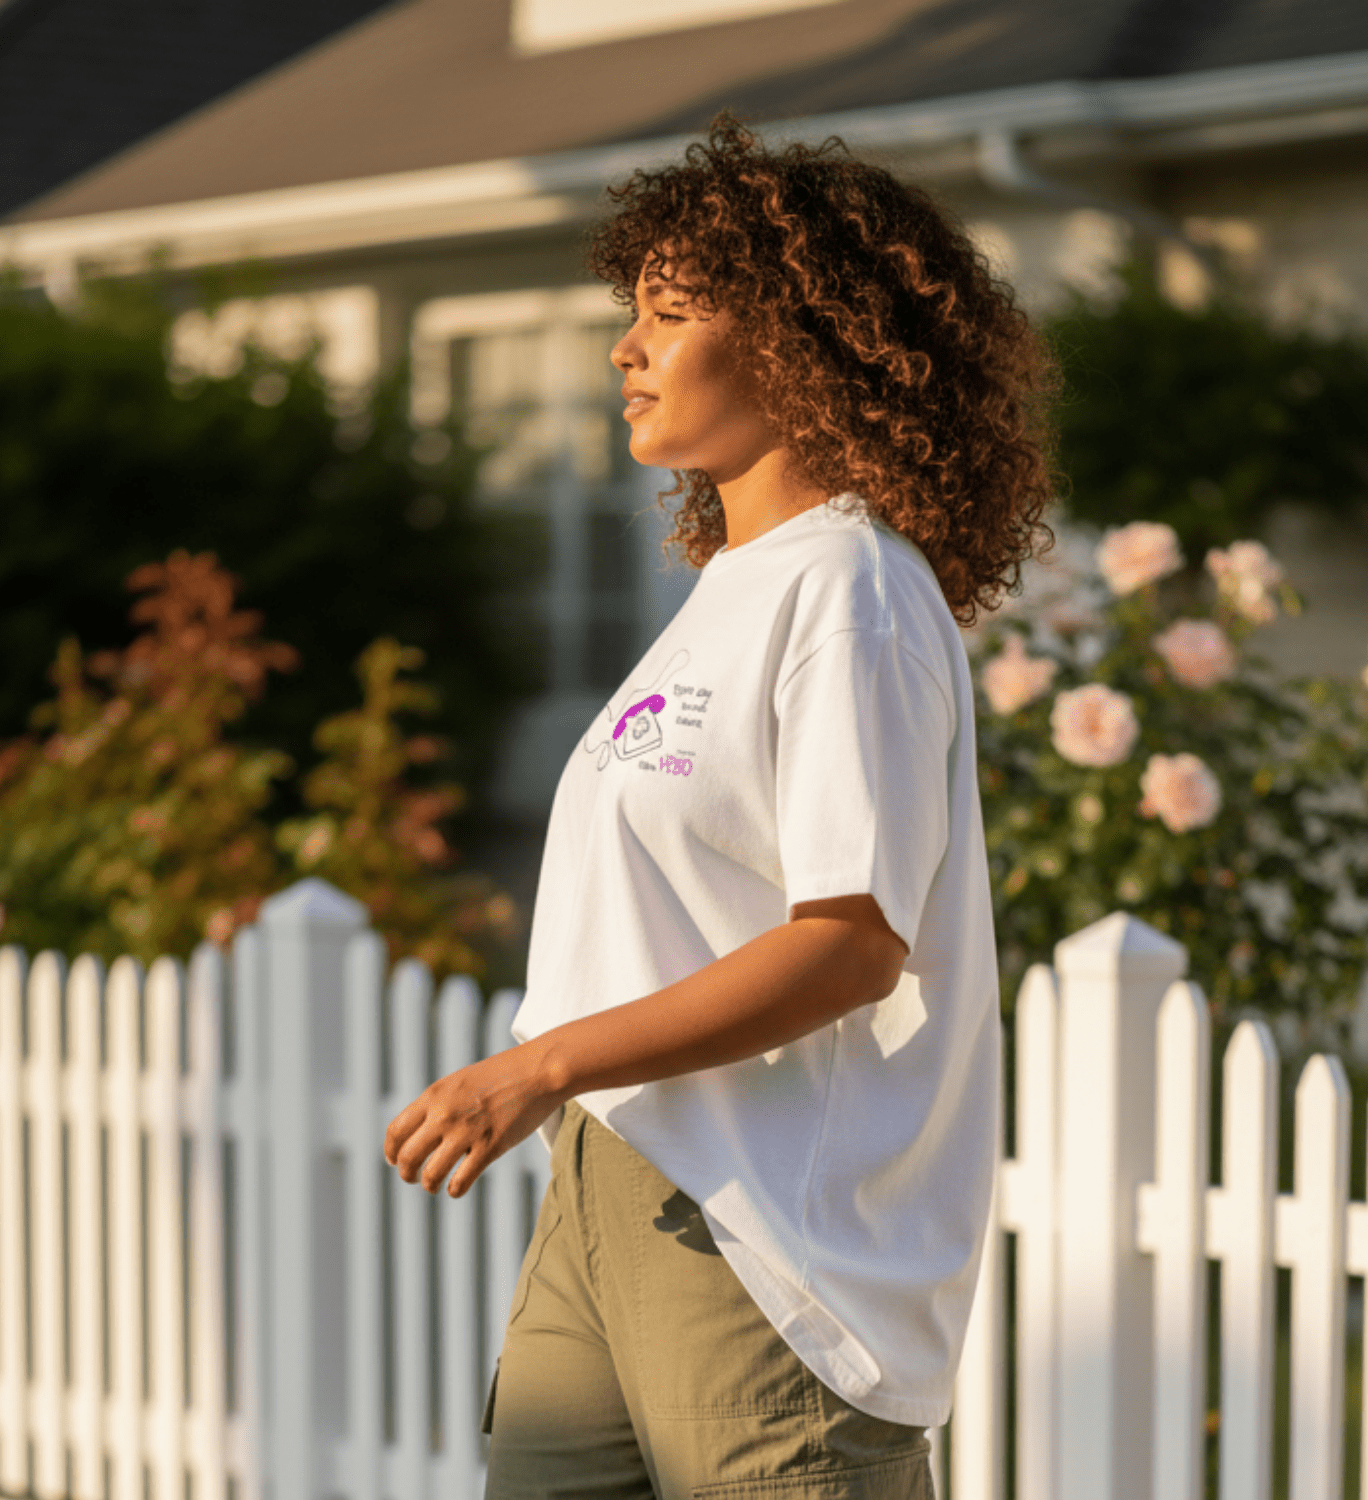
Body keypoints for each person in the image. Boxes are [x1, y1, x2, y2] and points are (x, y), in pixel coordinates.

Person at [384, 115, 1054, 1499]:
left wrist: (542, 1062)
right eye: (628, 312)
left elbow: (849, 939)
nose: (623, 348)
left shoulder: (853, 591)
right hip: (616, 1183)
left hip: (767, 1246)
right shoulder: (725, 599)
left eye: (672, 313)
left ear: (805, 343)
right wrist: (570, 1095)